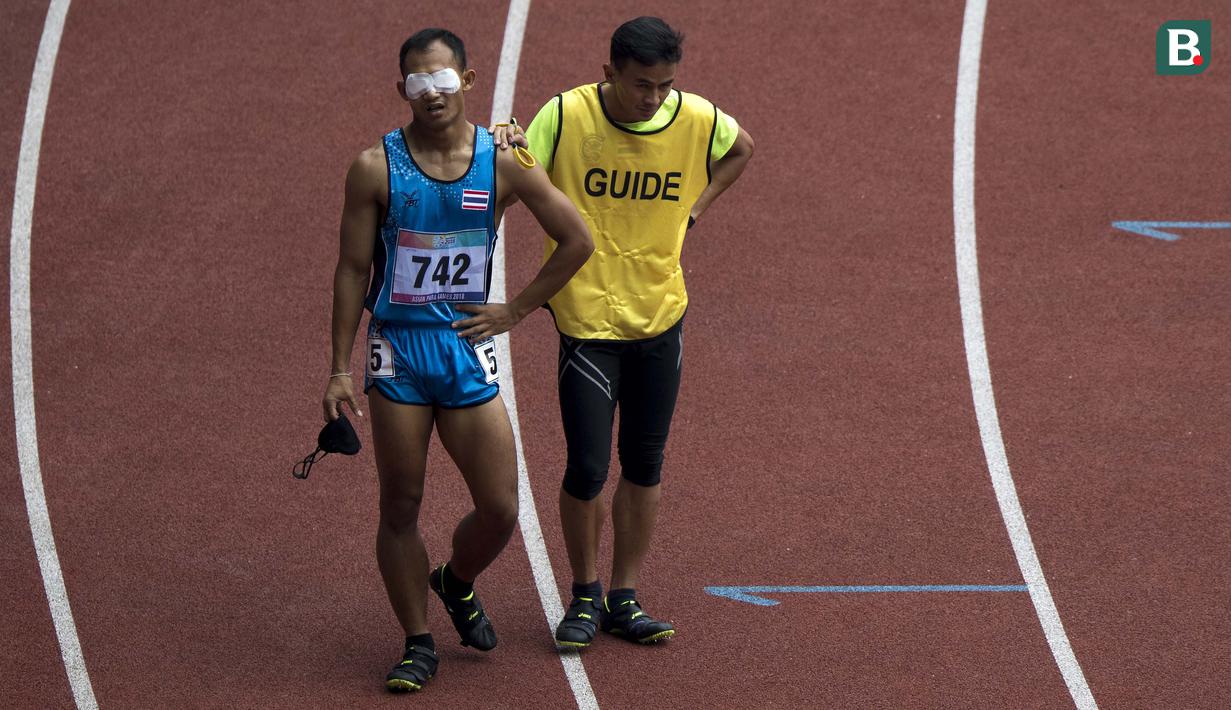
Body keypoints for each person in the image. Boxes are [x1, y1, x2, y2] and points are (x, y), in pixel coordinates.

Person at [322, 28, 592, 693]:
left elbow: (575, 239)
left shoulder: (503, 160)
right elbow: (353, 269)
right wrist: (336, 366)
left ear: (467, 82)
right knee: (400, 504)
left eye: (443, 80)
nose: (431, 93)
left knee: (500, 509)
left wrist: (515, 310)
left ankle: (455, 580)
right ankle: (417, 642)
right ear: (401, 90)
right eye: (418, 83)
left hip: (467, 347)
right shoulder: (373, 168)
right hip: (400, 352)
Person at [493, 16, 754, 649]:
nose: (655, 97)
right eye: (642, 84)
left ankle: (624, 597)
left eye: (666, 85)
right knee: (587, 466)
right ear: (608, 71)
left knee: (644, 463)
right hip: (586, 318)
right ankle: (582, 596)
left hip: (661, 314)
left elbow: (742, 147)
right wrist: (500, 143)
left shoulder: (694, 117)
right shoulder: (566, 114)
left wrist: (696, 208)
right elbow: (509, 171)